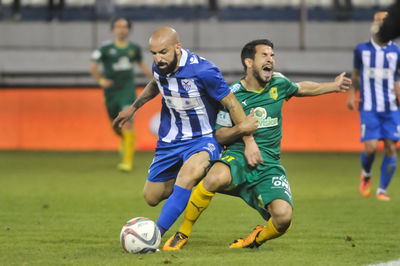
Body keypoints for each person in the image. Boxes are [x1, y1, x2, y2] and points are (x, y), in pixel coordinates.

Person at [163, 39, 351, 250]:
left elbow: (302, 88)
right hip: (238, 157)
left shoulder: (279, 84)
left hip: (268, 164)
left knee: (283, 218)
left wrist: (334, 86)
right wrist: (241, 129)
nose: (271, 59)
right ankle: (183, 232)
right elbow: (221, 136)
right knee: (215, 177)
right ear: (249, 62)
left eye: (272, 55)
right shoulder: (233, 94)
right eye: (265, 55)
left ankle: (255, 239)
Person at [112, 27, 261, 237]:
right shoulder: (160, 67)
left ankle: (155, 236)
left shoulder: (204, 71)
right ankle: (199, 177)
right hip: (170, 140)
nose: (158, 58)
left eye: (163, 52)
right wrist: (134, 107)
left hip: (203, 139)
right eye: (153, 53)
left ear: (178, 47)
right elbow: (155, 83)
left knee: (187, 175)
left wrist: (249, 141)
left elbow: (232, 104)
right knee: (151, 197)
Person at [347, 10, 400, 201]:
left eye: (383, 21)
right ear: (372, 24)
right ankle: (366, 174)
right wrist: (352, 94)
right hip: (369, 106)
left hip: (392, 108)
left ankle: (382, 190)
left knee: (391, 148)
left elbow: (396, 78)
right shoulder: (362, 49)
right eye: (377, 21)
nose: (379, 24)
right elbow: (356, 74)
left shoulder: (396, 51)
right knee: (370, 148)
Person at [91, 17, 153, 172]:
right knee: (116, 126)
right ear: (113, 29)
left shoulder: (134, 48)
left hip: (127, 91)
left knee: (128, 122)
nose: (121, 29)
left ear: (129, 30)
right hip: (111, 93)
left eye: (124, 26)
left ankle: (127, 162)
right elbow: (93, 67)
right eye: (118, 26)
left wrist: (156, 79)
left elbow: (142, 66)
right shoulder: (104, 49)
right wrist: (101, 80)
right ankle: (124, 140)